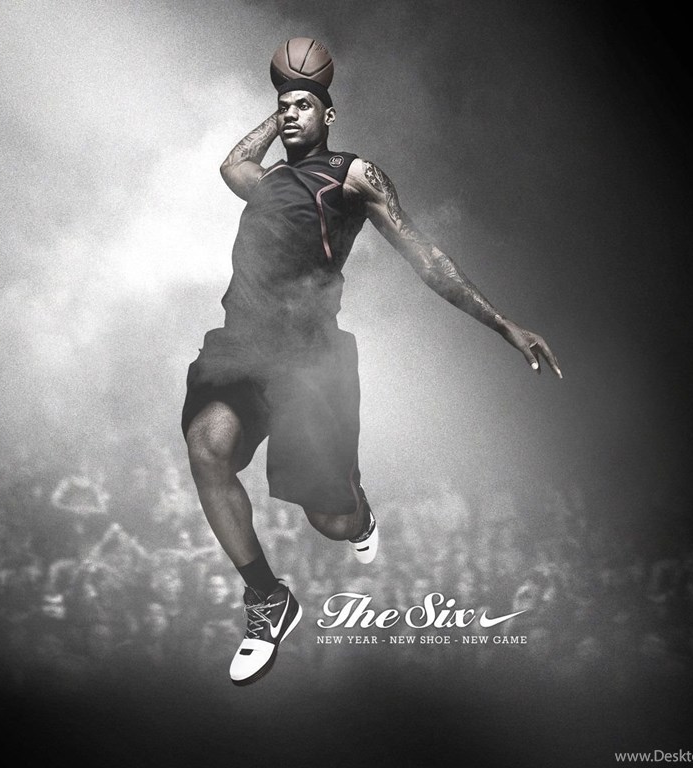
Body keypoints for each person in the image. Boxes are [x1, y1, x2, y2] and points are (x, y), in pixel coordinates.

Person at [182, 72, 561, 686]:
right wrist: (286, 99)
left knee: (331, 523)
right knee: (206, 447)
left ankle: (358, 513)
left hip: (307, 357)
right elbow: (232, 165)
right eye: (283, 108)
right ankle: (268, 600)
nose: (290, 114)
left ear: (330, 116)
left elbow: (425, 256)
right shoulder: (267, 181)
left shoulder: (353, 174)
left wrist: (501, 324)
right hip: (244, 346)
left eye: (305, 106)